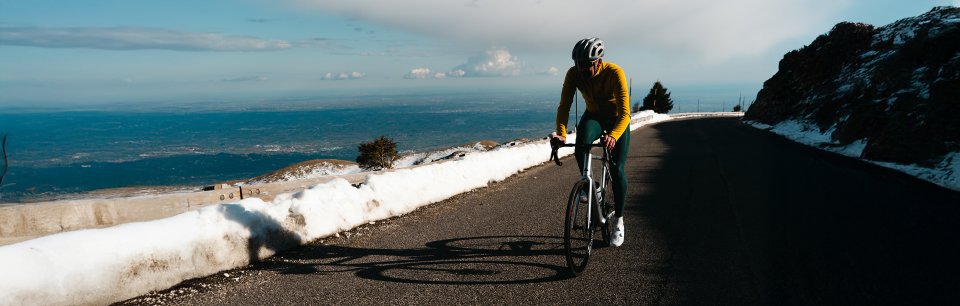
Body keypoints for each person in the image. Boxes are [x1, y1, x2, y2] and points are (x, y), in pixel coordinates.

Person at [552, 37, 631, 247]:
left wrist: (613, 135)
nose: (581, 68)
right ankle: (591, 187)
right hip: (593, 116)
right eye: (577, 64)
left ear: (598, 61)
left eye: (586, 64)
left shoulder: (614, 72)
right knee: (581, 144)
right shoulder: (573, 73)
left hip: (616, 119)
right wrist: (560, 133)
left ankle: (618, 220)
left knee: (618, 169)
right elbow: (564, 105)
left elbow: (625, 113)